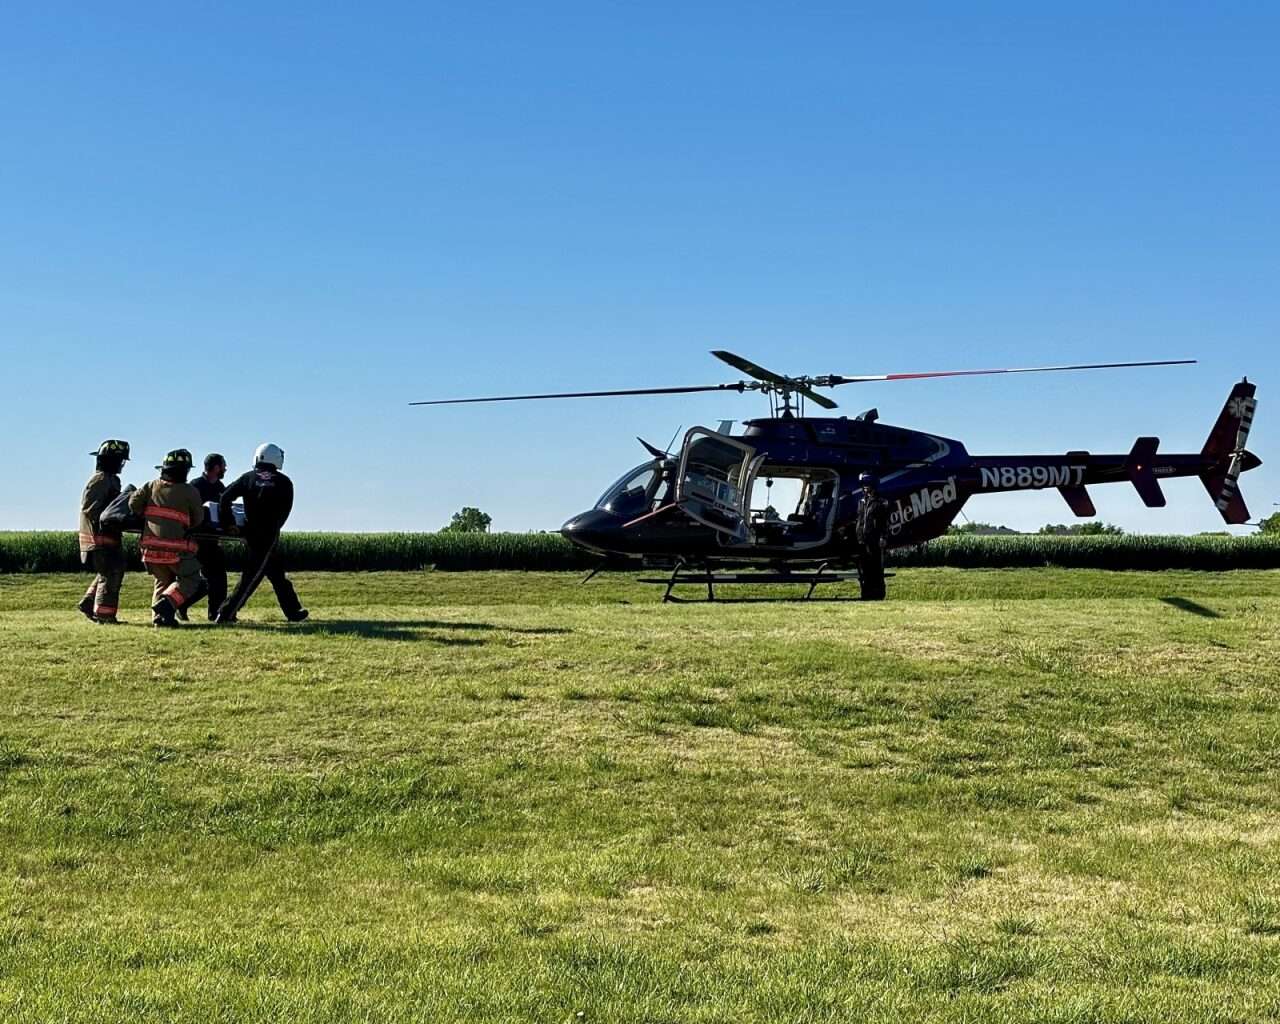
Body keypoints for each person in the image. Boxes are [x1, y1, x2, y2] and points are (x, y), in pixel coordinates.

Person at [215, 443, 308, 624]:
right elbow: (285, 511)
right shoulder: (284, 482)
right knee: (252, 576)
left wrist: (229, 523)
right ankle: (226, 613)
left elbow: (224, 498)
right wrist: (274, 528)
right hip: (269, 533)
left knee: (276, 573)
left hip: (250, 532)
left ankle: (293, 611)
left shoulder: (247, 478)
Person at [128, 449, 207, 627]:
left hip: (150, 549)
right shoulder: (190, 492)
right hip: (176, 550)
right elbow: (198, 519)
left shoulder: (150, 486)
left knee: (162, 581)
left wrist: (147, 516)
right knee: (192, 579)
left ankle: (159, 620)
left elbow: (133, 504)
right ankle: (166, 605)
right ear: (185, 471)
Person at [77, 440, 130, 624]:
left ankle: (89, 603)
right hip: (99, 538)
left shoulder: (110, 479)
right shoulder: (100, 480)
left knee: (109, 572)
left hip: (106, 537)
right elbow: (91, 510)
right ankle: (105, 616)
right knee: (111, 574)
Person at [190, 453, 229, 621]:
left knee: (215, 579)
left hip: (213, 540)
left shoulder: (221, 488)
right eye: (223, 466)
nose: (225, 469)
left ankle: (216, 612)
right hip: (198, 540)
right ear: (216, 468)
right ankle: (215, 612)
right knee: (212, 579)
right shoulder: (195, 486)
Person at [854, 472, 889, 601]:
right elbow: (859, 519)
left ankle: (878, 594)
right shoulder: (861, 502)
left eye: (867, 485)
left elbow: (885, 522)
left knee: (876, 569)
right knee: (865, 569)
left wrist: (883, 537)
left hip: (875, 540)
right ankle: (866, 594)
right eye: (863, 485)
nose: (865, 487)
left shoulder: (881, 503)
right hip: (862, 540)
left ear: (873, 486)